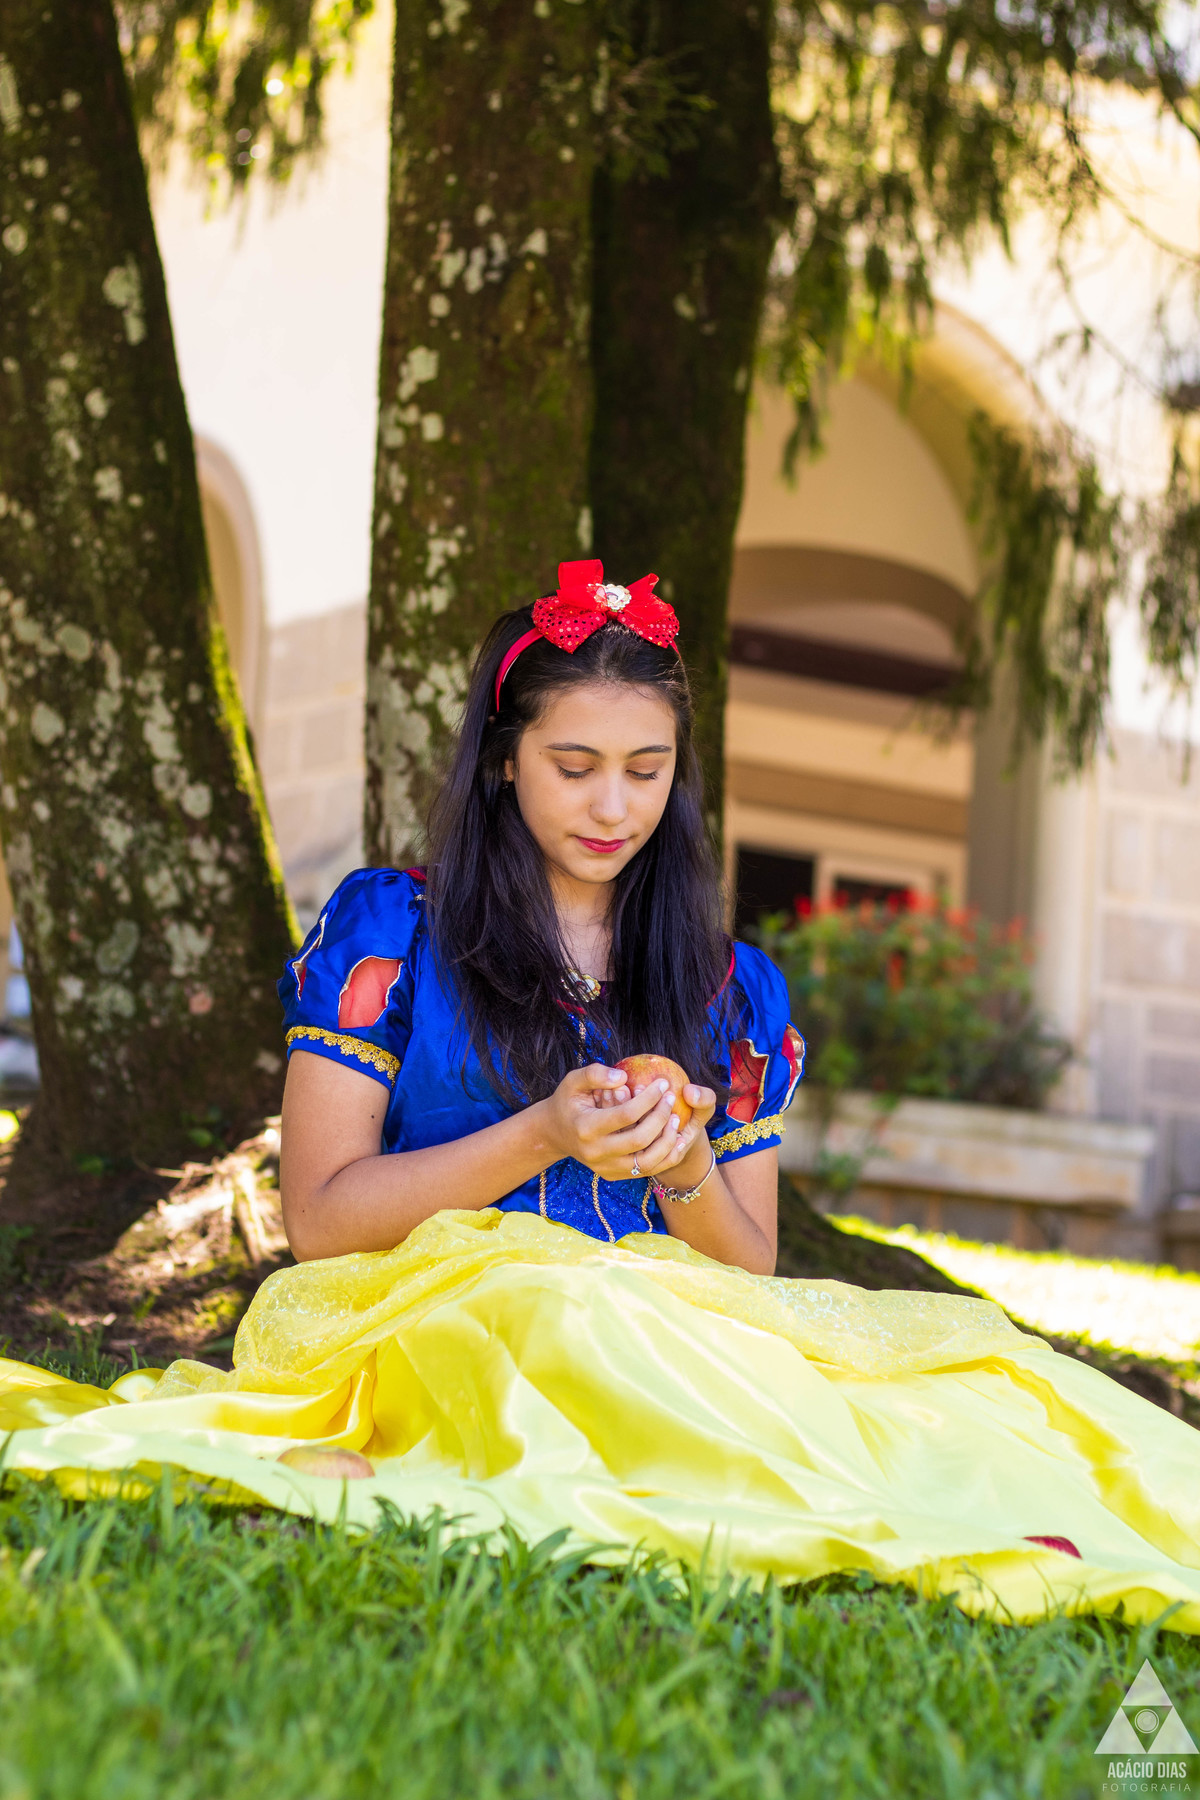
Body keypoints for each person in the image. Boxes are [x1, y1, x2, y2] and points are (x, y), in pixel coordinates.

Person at [2, 560, 1199, 1640]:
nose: (613, 808)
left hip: (667, 1324)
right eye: (574, 768)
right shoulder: (394, 928)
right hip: (434, 1312)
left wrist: (683, 1163)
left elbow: (748, 1266)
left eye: (647, 771)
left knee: (973, 1408)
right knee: (562, 1309)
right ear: (502, 759)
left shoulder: (727, 986)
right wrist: (540, 1133)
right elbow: (319, 1218)